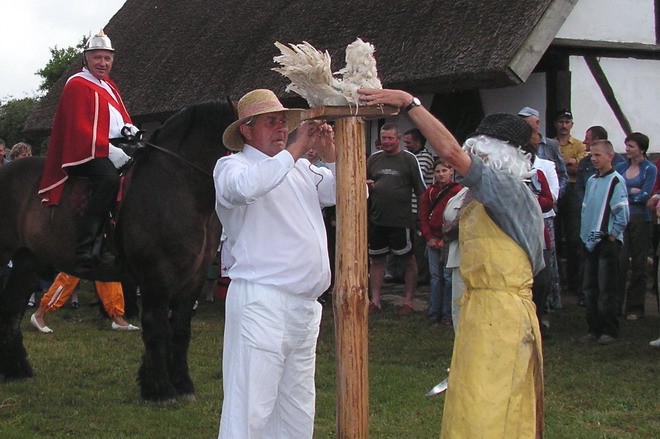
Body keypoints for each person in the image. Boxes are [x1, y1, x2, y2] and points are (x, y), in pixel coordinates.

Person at [359, 88, 544, 438]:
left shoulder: (508, 190)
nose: (470, 159)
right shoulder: (487, 197)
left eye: (478, 153)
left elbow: (449, 153)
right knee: (470, 404)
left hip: (502, 317)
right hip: (481, 311)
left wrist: (410, 104)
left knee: (490, 411)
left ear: (498, 156)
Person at [213, 88, 335, 438]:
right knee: (249, 410)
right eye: (271, 122)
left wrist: (331, 155)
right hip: (262, 301)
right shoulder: (232, 166)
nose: (281, 128)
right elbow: (246, 189)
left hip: (304, 306)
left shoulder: (302, 169)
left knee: (297, 411)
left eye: (283, 122)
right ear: (246, 130)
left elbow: (352, 192)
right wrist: (296, 149)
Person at [38, 30, 139, 268]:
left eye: (107, 58)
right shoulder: (77, 84)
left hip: (114, 146)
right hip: (86, 150)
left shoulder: (110, 86)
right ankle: (87, 245)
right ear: (86, 58)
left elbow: (118, 118)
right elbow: (78, 127)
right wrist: (108, 150)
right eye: (97, 57)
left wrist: (129, 129)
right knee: (108, 180)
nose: (103, 63)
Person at [366, 123, 426, 315]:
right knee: (376, 260)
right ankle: (375, 301)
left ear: (398, 139)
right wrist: (367, 185)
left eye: (390, 138)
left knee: (408, 260)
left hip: (401, 221)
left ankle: (408, 302)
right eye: (384, 138)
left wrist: (421, 219)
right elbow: (362, 183)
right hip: (377, 219)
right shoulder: (373, 159)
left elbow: (421, 191)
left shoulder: (409, 159)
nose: (387, 142)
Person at [579, 140, 629, 345]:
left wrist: (612, 235)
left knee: (606, 288)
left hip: (606, 242)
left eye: (598, 155)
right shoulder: (592, 180)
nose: (593, 159)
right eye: (591, 155)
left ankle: (609, 329)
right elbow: (586, 208)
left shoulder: (616, 181)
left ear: (610, 156)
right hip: (590, 241)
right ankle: (594, 328)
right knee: (590, 287)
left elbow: (622, 213)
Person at [518, 106, 566, 311]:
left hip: (543, 218)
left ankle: (549, 302)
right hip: (522, 220)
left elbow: (552, 194)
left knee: (547, 261)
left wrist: (534, 200)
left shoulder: (544, 165)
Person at [615, 132, 657, 320]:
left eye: (631, 146)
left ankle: (635, 307)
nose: (627, 149)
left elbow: (645, 195)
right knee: (620, 262)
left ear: (641, 149)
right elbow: (616, 191)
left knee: (639, 263)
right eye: (627, 145)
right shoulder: (620, 167)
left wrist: (627, 195)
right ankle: (616, 304)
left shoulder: (650, 169)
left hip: (641, 220)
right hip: (621, 219)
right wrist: (631, 192)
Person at [419, 158, 462, 325]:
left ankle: (448, 314)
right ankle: (434, 312)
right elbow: (423, 216)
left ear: (451, 171)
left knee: (449, 277)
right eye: (437, 171)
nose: (441, 174)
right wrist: (429, 237)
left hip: (449, 240)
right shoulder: (430, 192)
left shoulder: (458, 191)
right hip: (432, 239)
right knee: (435, 277)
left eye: (444, 171)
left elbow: (458, 218)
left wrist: (446, 239)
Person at [30, 272, 139, 333]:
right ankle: (39, 314)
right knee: (69, 277)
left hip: (98, 242)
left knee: (107, 274)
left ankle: (117, 318)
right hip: (83, 243)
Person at [554, 109, 586, 305]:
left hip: (573, 189)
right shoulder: (551, 144)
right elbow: (552, 167)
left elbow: (580, 168)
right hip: (557, 188)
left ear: (572, 125)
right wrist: (569, 163)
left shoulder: (579, 145)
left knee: (574, 237)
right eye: (561, 122)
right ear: (556, 124)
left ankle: (574, 282)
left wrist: (563, 164)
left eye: (567, 122)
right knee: (555, 236)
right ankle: (559, 281)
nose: (564, 125)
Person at [403, 127, 435, 285]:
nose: (406, 145)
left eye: (408, 142)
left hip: (419, 208)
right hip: (407, 208)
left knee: (419, 243)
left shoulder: (425, 157)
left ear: (418, 142)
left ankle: (421, 276)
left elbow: (415, 177)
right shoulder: (409, 157)